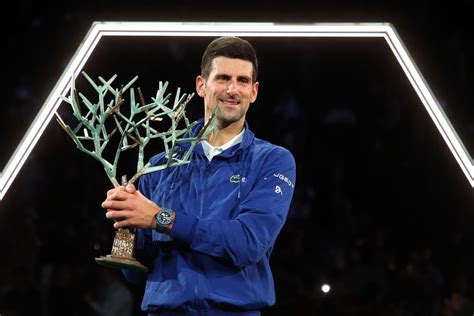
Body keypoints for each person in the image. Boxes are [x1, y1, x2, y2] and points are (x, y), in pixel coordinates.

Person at [101, 36, 296, 315]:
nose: (232, 89)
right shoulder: (159, 166)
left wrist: (160, 219)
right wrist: (127, 223)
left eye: (242, 81)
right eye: (223, 78)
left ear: (254, 92)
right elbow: (136, 274)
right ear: (201, 86)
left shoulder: (273, 161)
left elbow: (247, 243)